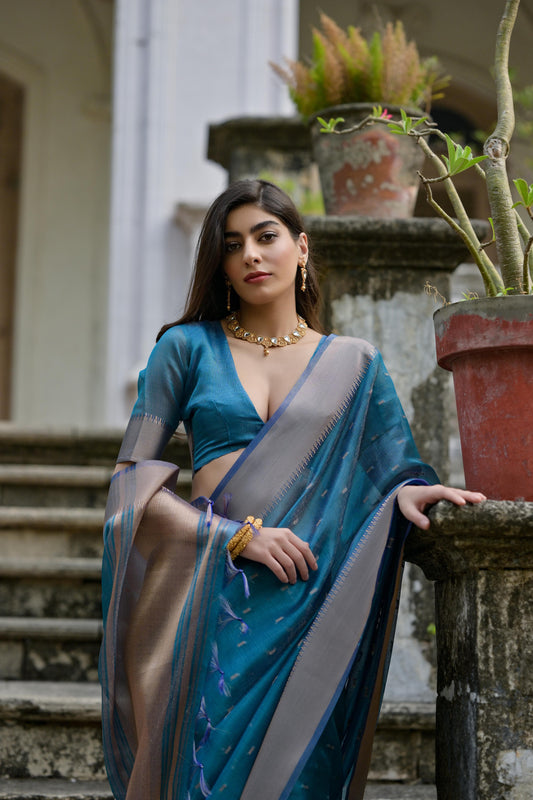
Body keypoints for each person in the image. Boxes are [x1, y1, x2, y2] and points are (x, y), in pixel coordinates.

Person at [99, 179, 485, 800]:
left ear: (301, 248)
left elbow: (396, 470)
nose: (251, 254)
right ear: (219, 264)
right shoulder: (186, 348)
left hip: (309, 599)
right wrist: (233, 537)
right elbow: (129, 483)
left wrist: (406, 498)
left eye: (266, 236)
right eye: (232, 244)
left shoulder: (355, 363)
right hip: (211, 601)